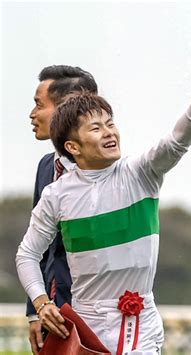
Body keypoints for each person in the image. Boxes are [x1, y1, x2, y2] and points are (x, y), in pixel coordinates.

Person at [16, 68, 191, 354]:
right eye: (96, 128)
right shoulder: (56, 194)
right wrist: (41, 303)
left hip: (141, 324)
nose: (109, 133)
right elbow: (27, 254)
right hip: (84, 327)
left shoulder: (141, 172)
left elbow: (176, 142)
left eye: (110, 124)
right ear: (73, 146)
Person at [27, 65, 98, 355]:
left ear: (66, 109)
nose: (32, 114)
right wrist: (35, 309)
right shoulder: (46, 167)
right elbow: (37, 249)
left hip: (96, 314)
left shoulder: (106, 171)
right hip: (53, 316)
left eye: (38, 105)